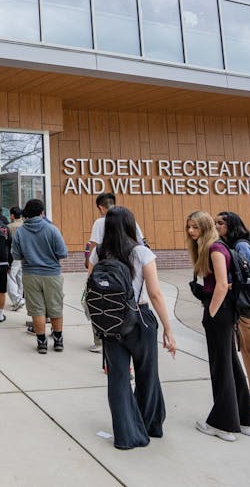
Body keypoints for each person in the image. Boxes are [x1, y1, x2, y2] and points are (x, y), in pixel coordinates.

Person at [89, 206, 177, 449]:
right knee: (146, 373)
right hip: (140, 318)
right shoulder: (141, 253)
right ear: (130, 225)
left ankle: (126, 435)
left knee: (117, 378)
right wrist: (168, 328)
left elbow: (92, 285)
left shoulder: (98, 253)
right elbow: (155, 293)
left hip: (110, 321)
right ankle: (149, 425)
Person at [186, 210, 250, 441]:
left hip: (220, 311)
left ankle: (224, 424)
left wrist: (211, 313)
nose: (191, 231)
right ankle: (245, 419)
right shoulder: (218, 247)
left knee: (221, 367)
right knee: (231, 364)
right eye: (189, 227)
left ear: (205, 227)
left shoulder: (215, 249)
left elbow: (222, 284)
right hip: (224, 311)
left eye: (195, 227)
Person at [217, 211, 250, 414]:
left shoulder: (241, 246)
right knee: (246, 350)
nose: (217, 226)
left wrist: (230, 286)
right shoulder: (231, 247)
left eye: (220, 223)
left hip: (249, 305)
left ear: (231, 226)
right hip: (241, 305)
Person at [85, 192, 145, 354]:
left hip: (106, 272)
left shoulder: (100, 222)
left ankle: (100, 340)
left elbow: (94, 245)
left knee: (98, 302)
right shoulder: (131, 221)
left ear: (100, 207)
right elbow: (141, 243)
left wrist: (89, 261)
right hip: (128, 273)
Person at [12, 199, 68, 354]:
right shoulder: (52, 229)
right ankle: (58, 341)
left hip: (30, 274)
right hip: (52, 274)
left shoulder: (21, 232)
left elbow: (16, 255)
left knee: (37, 310)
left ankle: (41, 342)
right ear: (42, 212)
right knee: (55, 307)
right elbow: (63, 253)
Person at [7, 206, 25, 311]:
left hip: (14, 255)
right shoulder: (25, 225)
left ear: (13, 215)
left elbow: (8, 243)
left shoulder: (10, 227)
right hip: (24, 255)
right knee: (19, 277)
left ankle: (17, 300)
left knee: (10, 276)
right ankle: (20, 298)